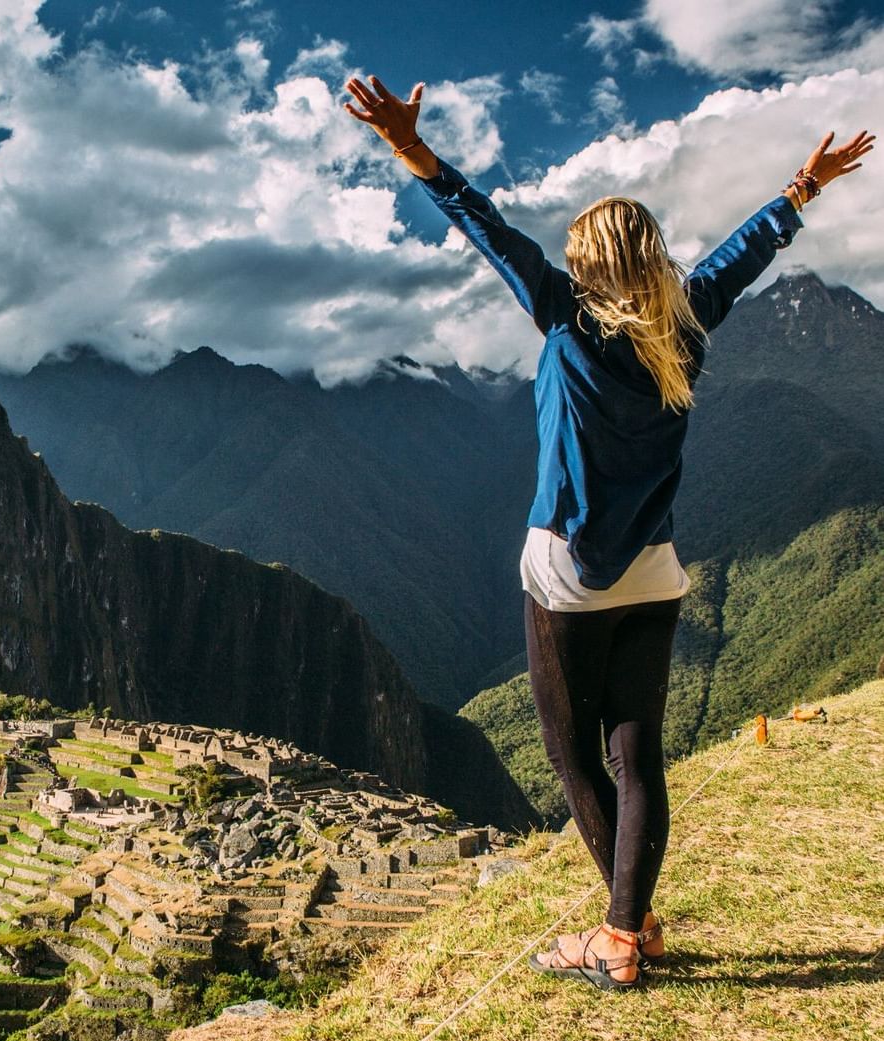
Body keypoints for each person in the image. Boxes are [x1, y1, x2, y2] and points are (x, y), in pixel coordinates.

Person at [344, 74, 873, 992]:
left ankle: (620, 938)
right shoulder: (687, 324)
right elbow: (743, 258)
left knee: (573, 756)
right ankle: (631, 927)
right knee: (638, 760)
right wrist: (801, 187)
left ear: (586, 262)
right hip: (656, 573)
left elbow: (488, 230)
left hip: (567, 577)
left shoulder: (566, 317)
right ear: (652, 257)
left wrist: (411, 151)